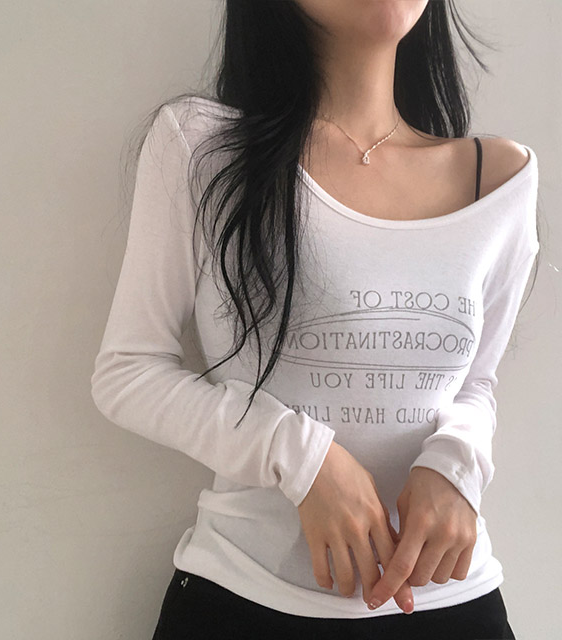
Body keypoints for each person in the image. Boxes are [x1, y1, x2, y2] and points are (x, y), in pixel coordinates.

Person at [91, 1, 540, 638]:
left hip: (449, 602)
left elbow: (475, 383)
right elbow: (128, 373)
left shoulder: (498, 178)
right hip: (245, 596)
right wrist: (301, 458)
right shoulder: (200, 145)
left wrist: (457, 466)